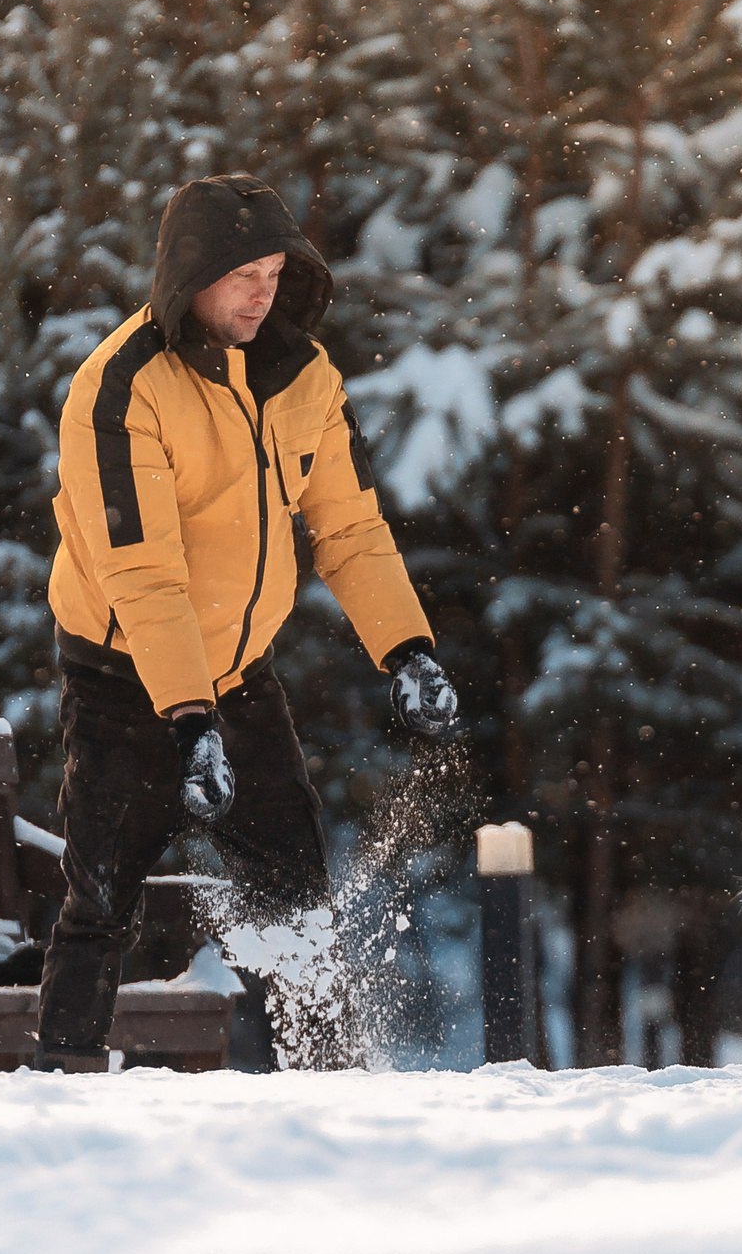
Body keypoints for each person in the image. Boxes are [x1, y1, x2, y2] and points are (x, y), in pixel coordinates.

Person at [34, 174, 460, 1070]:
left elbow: (349, 528)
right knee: (103, 895)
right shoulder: (121, 389)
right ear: (190, 274)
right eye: (243, 276)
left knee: (295, 888)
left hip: (237, 673)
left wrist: (407, 650)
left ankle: (325, 1079)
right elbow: (142, 573)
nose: (263, 294)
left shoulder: (304, 377)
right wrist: (189, 722)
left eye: (274, 273)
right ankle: (64, 1082)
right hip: (123, 675)